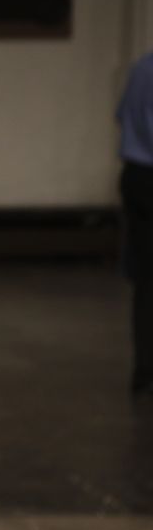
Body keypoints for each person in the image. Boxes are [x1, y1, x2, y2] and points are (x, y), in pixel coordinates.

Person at [118, 48, 153, 398]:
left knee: (145, 279)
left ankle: (144, 367)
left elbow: (121, 115)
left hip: (137, 176)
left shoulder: (142, 67)